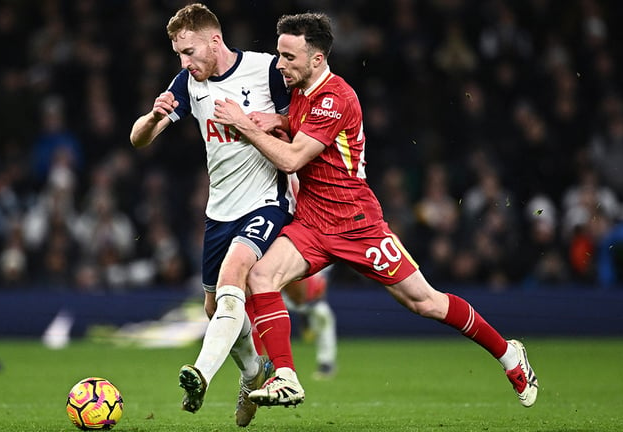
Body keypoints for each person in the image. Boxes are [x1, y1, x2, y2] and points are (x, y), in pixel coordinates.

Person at [212, 12, 539, 409]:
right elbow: (302, 131)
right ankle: (286, 376)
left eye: (288, 57)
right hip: (313, 223)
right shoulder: (298, 90)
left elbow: (293, 159)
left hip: (357, 224)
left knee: (425, 302)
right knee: (261, 275)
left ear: (317, 59)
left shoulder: (337, 97)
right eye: (279, 54)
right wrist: (280, 119)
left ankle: (509, 354)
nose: (279, 64)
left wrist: (244, 124)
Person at [129, 3, 294, 427]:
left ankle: (200, 373)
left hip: (266, 200)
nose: (183, 63)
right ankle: (253, 372)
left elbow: (301, 121)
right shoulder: (188, 83)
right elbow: (138, 139)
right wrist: (154, 115)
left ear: (214, 41)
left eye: (188, 52)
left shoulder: (266, 70)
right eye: (178, 55)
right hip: (219, 211)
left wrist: (267, 120)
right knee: (212, 305)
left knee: (234, 275)